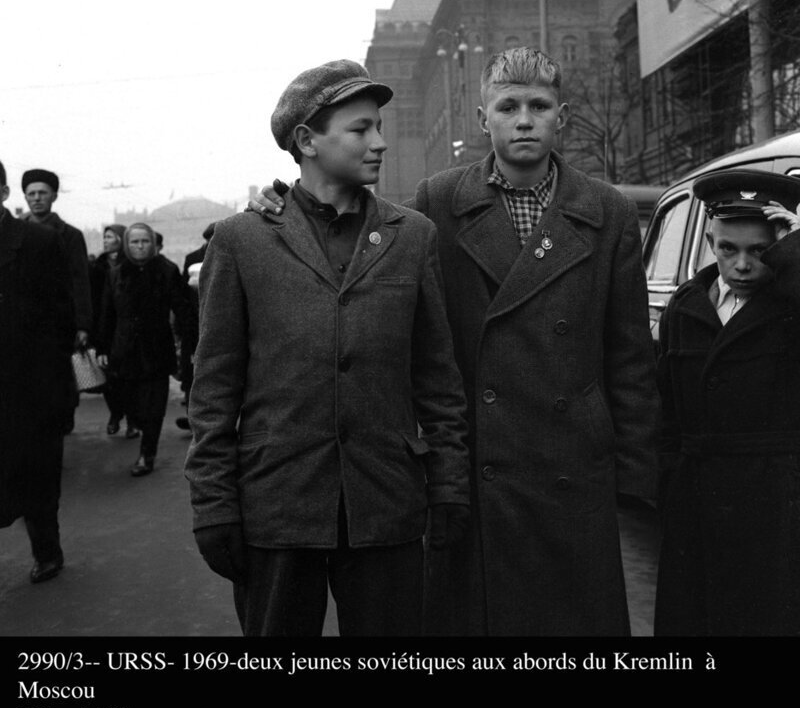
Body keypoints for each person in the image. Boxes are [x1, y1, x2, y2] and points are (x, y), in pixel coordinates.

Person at [252, 48, 658, 636]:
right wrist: (283, 207)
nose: (525, 119)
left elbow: (629, 358)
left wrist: (635, 476)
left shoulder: (607, 211)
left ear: (562, 117)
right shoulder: (439, 200)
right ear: (482, 116)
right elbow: (360, 230)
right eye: (509, 106)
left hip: (572, 465)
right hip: (479, 466)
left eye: (540, 106)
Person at [186, 59, 470, 637]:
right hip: (279, 507)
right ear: (306, 141)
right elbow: (213, 389)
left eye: (380, 127)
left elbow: (437, 380)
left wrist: (447, 485)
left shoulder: (411, 236)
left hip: (385, 504)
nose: (380, 142)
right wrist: (214, 505)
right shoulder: (242, 241)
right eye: (361, 129)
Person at [654, 168, 800, 636]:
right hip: (695, 499)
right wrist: (669, 479)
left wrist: (795, 253)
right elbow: (665, 410)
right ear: (710, 242)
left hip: (775, 503)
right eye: (726, 249)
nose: (741, 265)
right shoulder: (686, 306)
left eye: (759, 251)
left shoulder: (790, 304)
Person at [0, 160, 74, 582]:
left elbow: (59, 318)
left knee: (38, 477)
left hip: (30, 386)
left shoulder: (37, 242)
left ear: (4, 193)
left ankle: (47, 551)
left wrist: (55, 389)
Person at [96, 222, 191, 477]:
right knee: (130, 402)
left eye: (144, 241)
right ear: (127, 245)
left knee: (154, 407)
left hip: (156, 349)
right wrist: (103, 347)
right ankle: (134, 423)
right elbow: (107, 313)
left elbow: (183, 310)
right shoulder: (116, 273)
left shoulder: (166, 270)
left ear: (153, 244)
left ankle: (146, 455)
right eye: (134, 242)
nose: (139, 246)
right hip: (123, 350)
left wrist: (189, 344)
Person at [22, 169, 92, 434]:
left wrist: (83, 325)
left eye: (42, 193)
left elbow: (80, 280)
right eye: (31, 194)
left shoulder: (70, 235)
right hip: (23, 321)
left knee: (58, 381)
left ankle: (60, 422)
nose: (37, 198)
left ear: (54, 196)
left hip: (57, 321)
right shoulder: (14, 230)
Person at [89, 224, 139, 438]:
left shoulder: (131, 265)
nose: (106, 240)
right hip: (104, 327)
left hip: (126, 329)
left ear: (120, 239)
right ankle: (115, 413)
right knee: (109, 379)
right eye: (105, 237)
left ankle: (132, 421)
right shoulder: (98, 265)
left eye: (110, 237)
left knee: (129, 378)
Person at [175, 221, 217, 431]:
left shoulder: (231, 254)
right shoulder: (192, 259)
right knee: (193, 371)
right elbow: (183, 296)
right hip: (194, 326)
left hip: (219, 324)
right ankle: (193, 416)